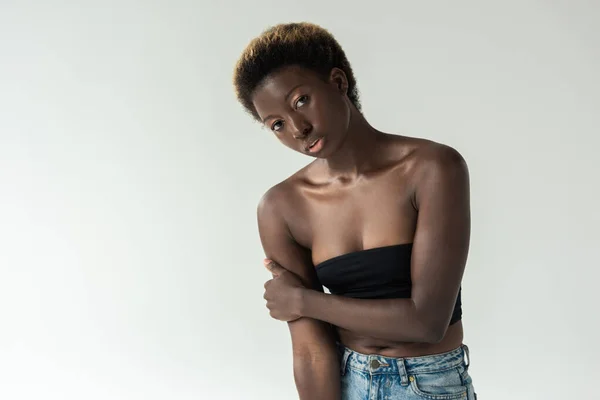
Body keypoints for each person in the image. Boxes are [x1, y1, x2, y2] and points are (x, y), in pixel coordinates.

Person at [233, 22, 477, 400]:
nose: (298, 128)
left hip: (429, 384)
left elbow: (427, 322)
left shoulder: (431, 168)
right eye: (277, 124)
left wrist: (303, 301)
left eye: (301, 100)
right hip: (346, 384)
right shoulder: (282, 206)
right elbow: (311, 351)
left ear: (338, 82)